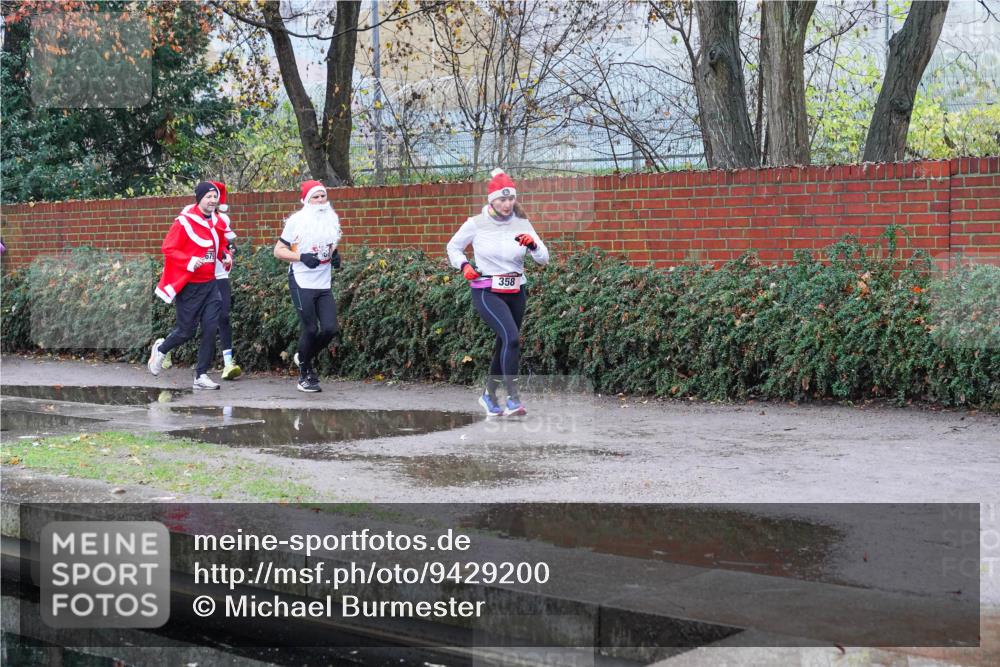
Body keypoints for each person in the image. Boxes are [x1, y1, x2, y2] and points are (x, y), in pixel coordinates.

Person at [446, 168, 549, 416]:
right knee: (512, 337)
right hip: (487, 290)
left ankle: (489, 396)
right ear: (492, 200)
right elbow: (453, 247)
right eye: (502, 199)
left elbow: (544, 259)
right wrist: (464, 265)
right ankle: (513, 398)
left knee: (505, 341)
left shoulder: (522, 223)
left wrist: (533, 245)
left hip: (516, 289)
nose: (507, 204)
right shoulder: (476, 223)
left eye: (510, 198)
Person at [148, 181, 231, 390]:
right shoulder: (184, 222)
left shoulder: (218, 221)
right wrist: (189, 261)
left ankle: (201, 374)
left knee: (211, 329)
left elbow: (220, 245)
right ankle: (161, 349)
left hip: (211, 284)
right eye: (208, 197)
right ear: (199, 198)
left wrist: (225, 256)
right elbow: (168, 248)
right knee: (186, 331)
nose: (213, 200)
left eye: (215, 197)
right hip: (190, 287)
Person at [273, 180, 342, 393]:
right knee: (311, 329)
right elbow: (278, 250)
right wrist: (301, 256)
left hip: (323, 283)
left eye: (323, 196)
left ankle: (303, 356)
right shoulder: (296, 221)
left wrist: (335, 256)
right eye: (316, 197)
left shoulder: (331, 217)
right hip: (301, 281)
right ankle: (305, 374)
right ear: (306, 200)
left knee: (330, 328)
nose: (321, 200)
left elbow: (331, 244)